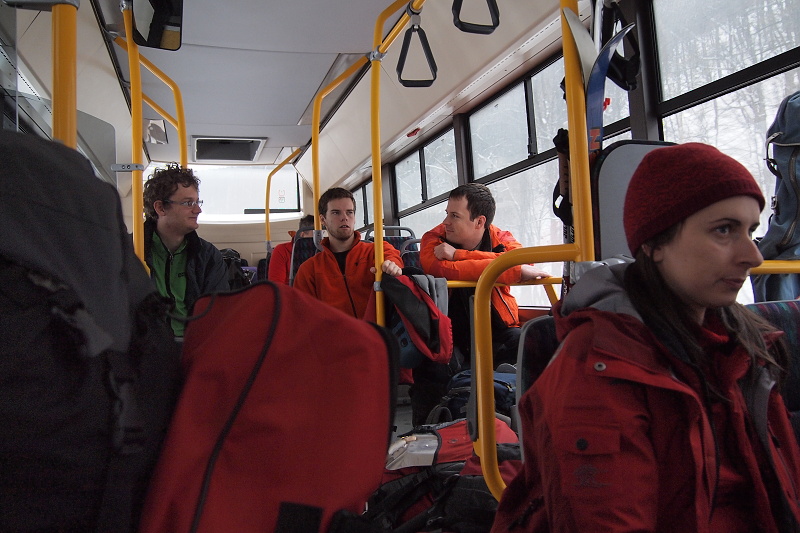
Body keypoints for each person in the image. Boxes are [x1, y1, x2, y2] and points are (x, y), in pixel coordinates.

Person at [492, 143, 800, 532]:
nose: (753, 256)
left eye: (751, 231)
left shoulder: (748, 345)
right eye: (724, 230)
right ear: (655, 243)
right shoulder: (596, 371)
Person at [421, 183, 550, 367]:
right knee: (436, 364)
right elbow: (438, 268)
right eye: (447, 213)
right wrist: (505, 267)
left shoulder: (500, 237)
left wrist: (459, 255)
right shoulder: (433, 238)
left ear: (480, 222)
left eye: (454, 216)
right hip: (451, 333)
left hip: (497, 329)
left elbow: (522, 262)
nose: (445, 222)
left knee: (528, 343)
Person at [143, 163, 229, 336]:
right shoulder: (131, 251)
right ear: (160, 208)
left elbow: (218, 312)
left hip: (194, 343)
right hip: (146, 346)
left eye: (197, 202)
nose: (198, 210)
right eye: (188, 203)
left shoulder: (208, 256)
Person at [293, 187, 403, 318]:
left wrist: (392, 266)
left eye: (349, 212)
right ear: (323, 220)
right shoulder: (309, 270)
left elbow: (392, 259)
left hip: (377, 328)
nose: (344, 218)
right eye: (336, 213)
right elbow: (303, 315)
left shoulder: (376, 251)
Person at [268, 214, 314, 284]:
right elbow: (277, 285)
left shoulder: (325, 251)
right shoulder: (282, 251)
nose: (321, 238)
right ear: (302, 234)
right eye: (316, 235)